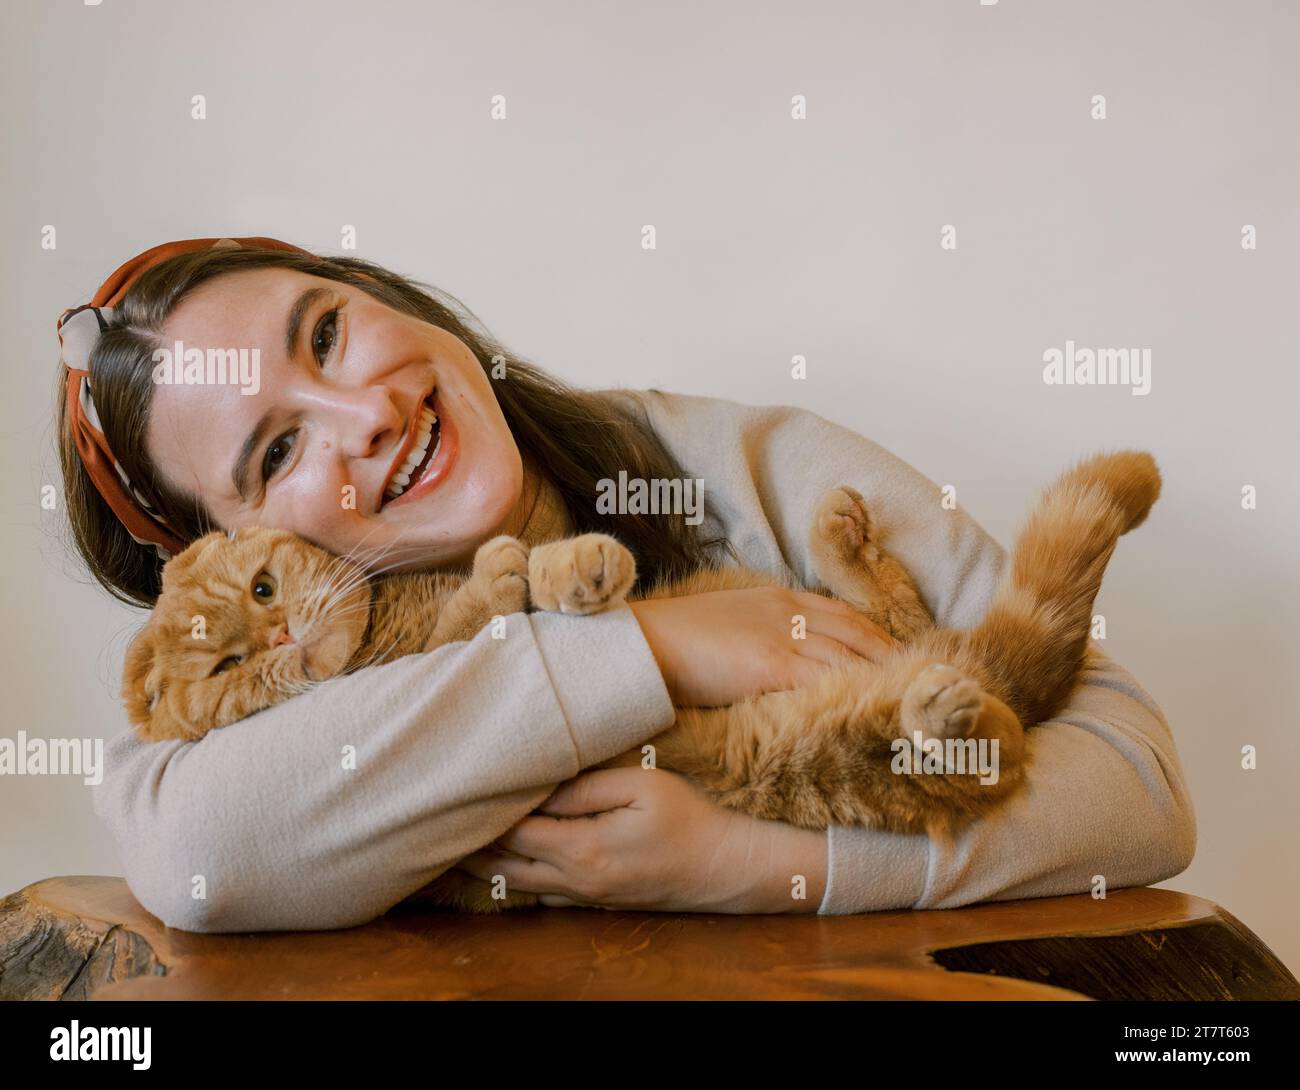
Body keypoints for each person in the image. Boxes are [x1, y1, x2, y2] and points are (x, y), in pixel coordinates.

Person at [58, 237, 1196, 932]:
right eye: (275, 454)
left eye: (328, 332)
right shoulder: (289, 677)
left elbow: (1138, 785)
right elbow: (197, 854)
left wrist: (755, 864)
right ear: (214, 558)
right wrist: (647, 653)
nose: (368, 414)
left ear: (377, 291)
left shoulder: (747, 469)